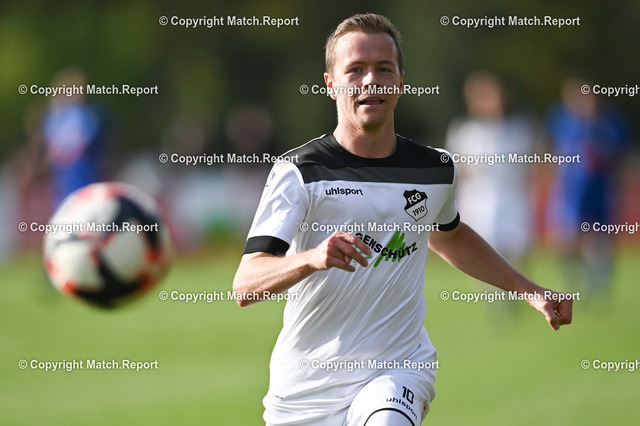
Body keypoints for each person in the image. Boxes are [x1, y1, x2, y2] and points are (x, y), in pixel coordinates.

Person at [233, 14, 573, 426]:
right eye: (355, 70)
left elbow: (448, 236)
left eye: (384, 68)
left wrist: (529, 290)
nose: (371, 81)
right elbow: (246, 284)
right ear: (331, 84)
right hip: (306, 390)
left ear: (400, 81)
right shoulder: (299, 172)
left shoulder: (435, 170)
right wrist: (311, 258)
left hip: (398, 369)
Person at [545, 77, 630, 300]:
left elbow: (621, 157)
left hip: (600, 190)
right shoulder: (561, 121)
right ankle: (570, 281)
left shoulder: (610, 123)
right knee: (566, 237)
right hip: (569, 191)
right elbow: (550, 151)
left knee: (599, 238)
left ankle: (598, 285)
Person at [446, 72, 535, 266]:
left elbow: (530, 167)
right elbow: (456, 169)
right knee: (481, 254)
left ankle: (517, 283)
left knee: (516, 250)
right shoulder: (465, 132)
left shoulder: (517, 130)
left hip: (511, 197)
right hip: (478, 200)